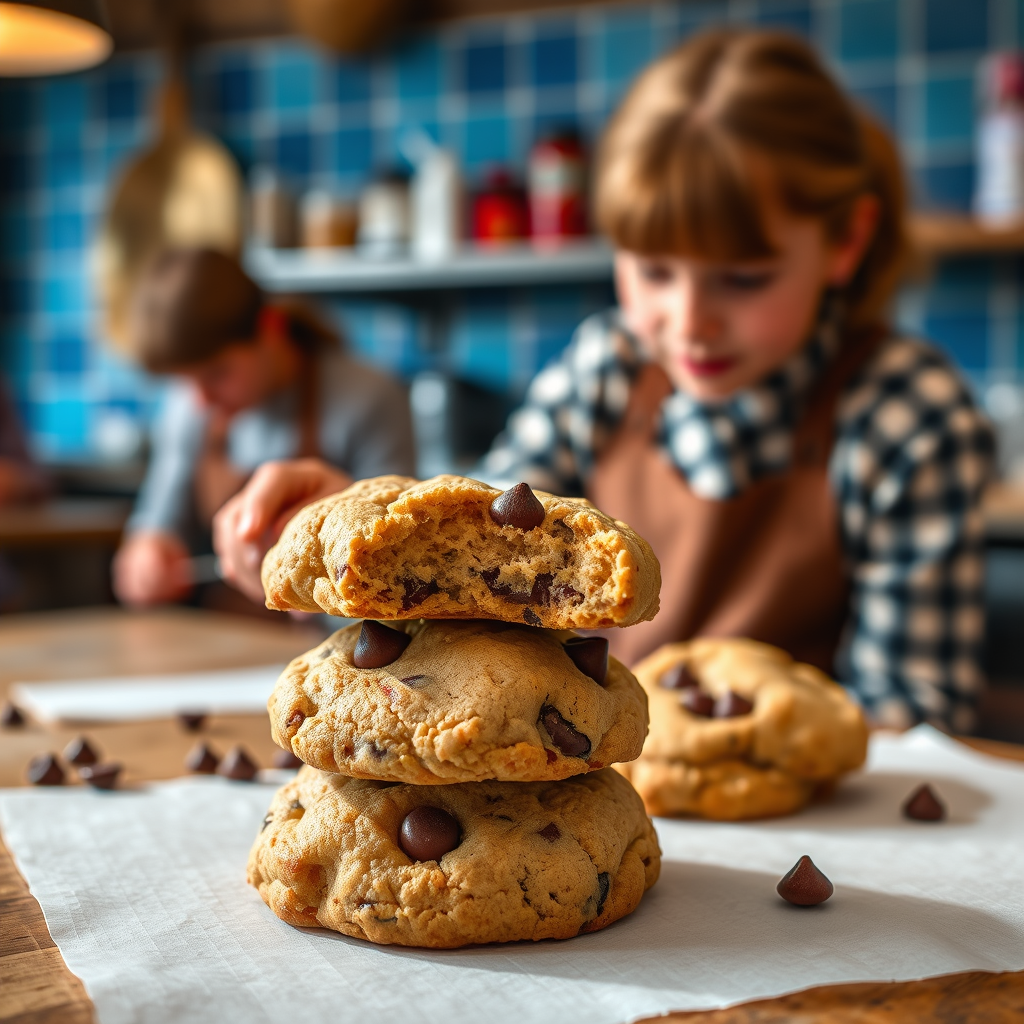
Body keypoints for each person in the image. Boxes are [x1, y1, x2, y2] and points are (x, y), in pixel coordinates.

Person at [211, 29, 994, 733]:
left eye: (745, 279)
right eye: (653, 271)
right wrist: (348, 536)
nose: (687, 322)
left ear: (845, 242)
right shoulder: (610, 366)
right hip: (590, 778)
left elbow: (911, 715)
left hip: (819, 833)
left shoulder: (905, 413)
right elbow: (476, 551)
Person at [113, 248, 415, 607]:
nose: (199, 400)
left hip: (335, 642)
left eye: (217, 374)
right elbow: (156, 521)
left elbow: (400, 559)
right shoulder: (190, 408)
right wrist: (146, 553)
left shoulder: (368, 397)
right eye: (183, 382)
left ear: (269, 329)